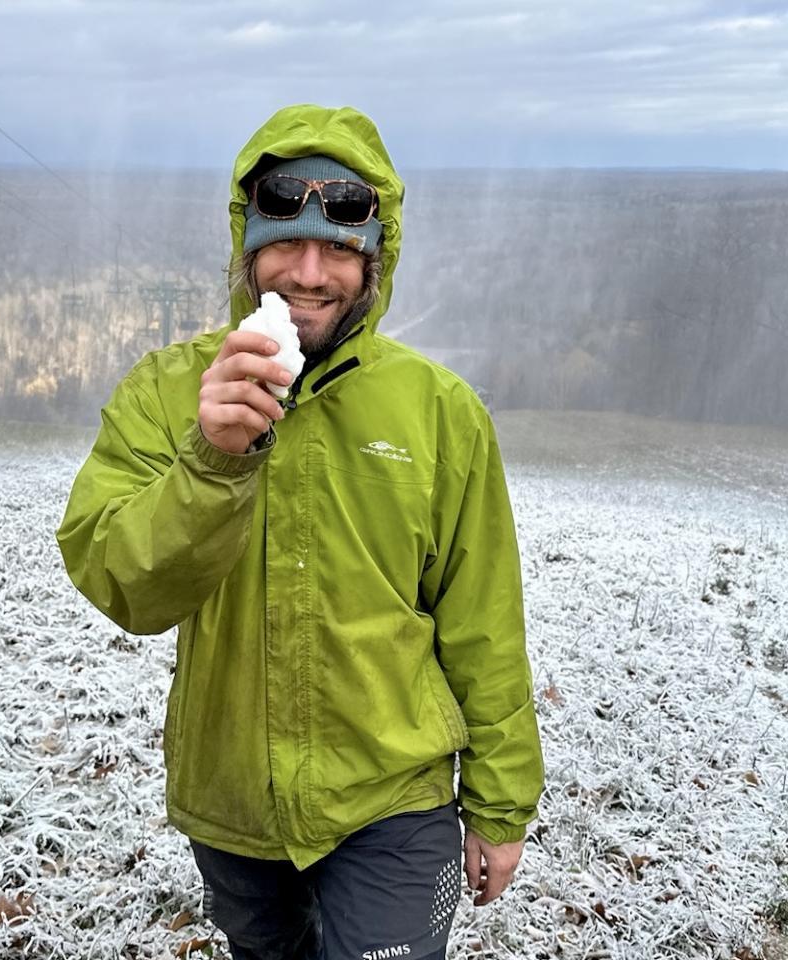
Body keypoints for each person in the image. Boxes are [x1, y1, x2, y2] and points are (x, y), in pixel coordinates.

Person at [56, 104, 543, 960]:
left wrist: (501, 810)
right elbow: (122, 582)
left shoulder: (439, 412)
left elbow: (484, 624)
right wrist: (211, 461)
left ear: (374, 257)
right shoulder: (170, 391)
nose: (309, 273)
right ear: (246, 248)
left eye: (339, 248)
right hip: (234, 802)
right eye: (284, 242)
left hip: (393, 796)